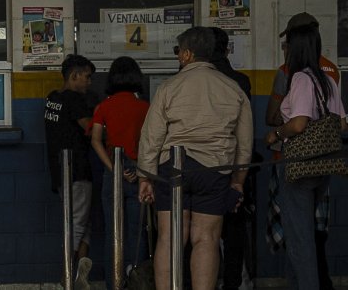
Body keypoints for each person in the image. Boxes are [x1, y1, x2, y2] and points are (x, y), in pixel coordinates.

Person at [138, 27, 253, 290]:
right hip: (215, 170)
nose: (178, 56)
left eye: (179, 51)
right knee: (207, 238)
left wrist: (145, 177)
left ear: (187, 54)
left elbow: (151, 137)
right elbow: (244, 143)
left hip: (172, 169)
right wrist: (237, 181)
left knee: (168, 238)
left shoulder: (169, 87)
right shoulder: (233, 88)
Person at [265, 22, 347, 290]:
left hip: (298, 164)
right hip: (322, 164)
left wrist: (276, 134)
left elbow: (299, 124)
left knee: (300, 240)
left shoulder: (300, 78)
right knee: (303, 233)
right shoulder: (329, 81)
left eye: (286, 45)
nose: (284, 50)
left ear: (294, 48)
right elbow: (342, 125)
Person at [90, 56, 149, 287]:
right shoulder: (145, 107)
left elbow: (96, 140)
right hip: (139, 172)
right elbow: (151, 142)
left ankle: (113, 283)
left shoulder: (103, 106)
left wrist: (115, 169)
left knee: (112, 233)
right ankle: (137, 282)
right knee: (137, 233)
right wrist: (139, 169)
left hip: (112, 172)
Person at [44, 54, 96, 287]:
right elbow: (90, 129)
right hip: (78, 171)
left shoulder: (52, 99)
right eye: (86, 77)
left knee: (82, 223)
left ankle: (79, 276)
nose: (89, 82)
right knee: (77, 225)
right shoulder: (75, 100)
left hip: (60, 173)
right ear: (74, 76)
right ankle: (67, 278)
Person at [209, 27, 254, 290]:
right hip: (236, 163)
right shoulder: (241, 81)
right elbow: (245, 131)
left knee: (202, 232)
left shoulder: (190, 80)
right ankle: (234, 283)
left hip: (200, 166)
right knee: (235, 230)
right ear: (227, 49)